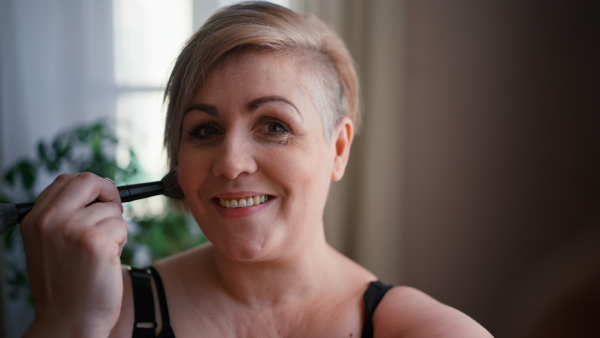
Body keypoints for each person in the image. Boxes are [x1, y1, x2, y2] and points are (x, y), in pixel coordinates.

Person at [21, 2, 492, 337]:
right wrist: (65, 326)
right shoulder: (107, 315)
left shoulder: (418, 330)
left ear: (339, 148)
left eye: (274, 125)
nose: (229, 163)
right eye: (204, 131)